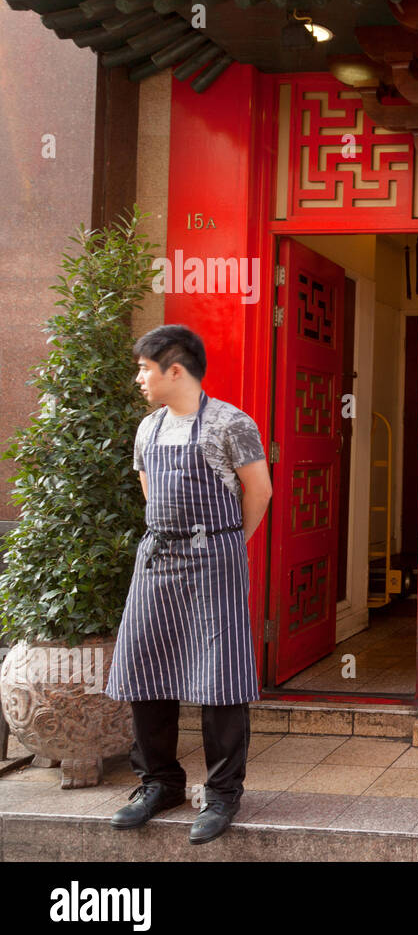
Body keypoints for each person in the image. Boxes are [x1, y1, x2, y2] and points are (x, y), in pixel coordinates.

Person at [104, 325, 273, 845]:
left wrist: (226, 543)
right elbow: (150, 495)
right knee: (145, 667)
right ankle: (160, 783)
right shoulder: (147, 429)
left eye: (144, 368)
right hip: (157, 559)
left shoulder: (230, 424)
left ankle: (222, 793)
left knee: (220, 675)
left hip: (214, 559)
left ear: (174, 370)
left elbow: (259, 491)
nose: (139, 378)